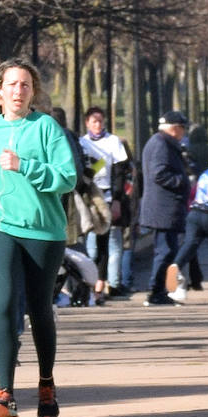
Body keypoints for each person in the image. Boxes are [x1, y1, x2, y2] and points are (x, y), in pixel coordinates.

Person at [0, 58, 78, 417]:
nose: (18, 90)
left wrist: (25, 166)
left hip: (44, 230)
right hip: (1, 226)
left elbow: (68, 177)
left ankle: (46, 383)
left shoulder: (47, 128)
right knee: (4, 302)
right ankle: (4, 391)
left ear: (33, 92)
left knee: (39, 308)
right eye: (11, 84)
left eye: (25, 85)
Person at [78, 106, 134, 299]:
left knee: (106, 242)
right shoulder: (81, 143)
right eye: (94, 121)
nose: (98, 125)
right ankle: (89, 283)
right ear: (87, 123)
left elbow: (120, 173)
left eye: (100, 121)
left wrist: (117, 200)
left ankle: (103, 284)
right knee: (89, 244)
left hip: (107, 197)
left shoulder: (113, 142)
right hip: (87, 198)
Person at [168, 147, 208, 304]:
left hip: (194, 213)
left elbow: (203, 191)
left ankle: (177, 270)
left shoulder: (206, 173)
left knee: (190, 244)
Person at [139, 110, 190, 306]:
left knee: (170, 250)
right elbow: (159, 173)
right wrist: (182, 181)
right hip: (163, 207)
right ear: (175, 128)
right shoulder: (161, 144)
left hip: (167, 208)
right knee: (165, 251)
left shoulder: (163, 142)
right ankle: (155, 291)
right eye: (182, 128)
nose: (184, 132)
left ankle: (163, 290)